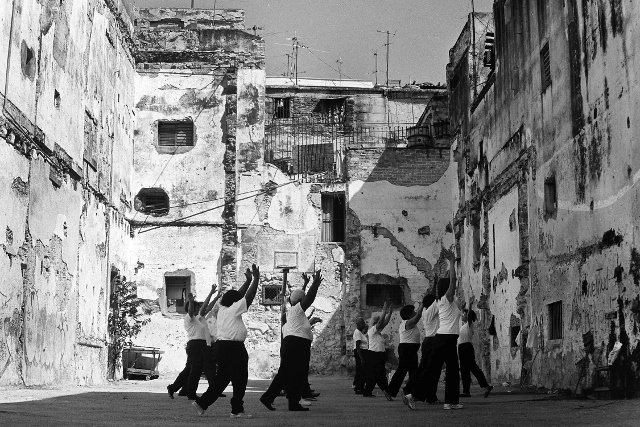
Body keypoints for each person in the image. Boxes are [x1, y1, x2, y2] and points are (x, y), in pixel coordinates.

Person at [192, 265, 260, 418]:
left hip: (223, 347)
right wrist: (256, 279)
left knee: (222, 379)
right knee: (240, 378)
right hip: (233, 348)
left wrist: (248, 281)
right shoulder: (233, 309)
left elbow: (239, 295)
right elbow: (247, 297)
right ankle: (236, 409)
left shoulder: (223, 308)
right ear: (235, 302)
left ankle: (202, 403)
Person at [407, 247, 463, 410]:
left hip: (442, 338)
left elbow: (446, 283)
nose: (455, 288)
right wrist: (452, 262)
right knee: (451, 370)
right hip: (447, 338)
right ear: (448, 290)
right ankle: (450, 402)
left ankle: (414, 395)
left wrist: (442, 274)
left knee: (434, 369)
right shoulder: (446, 299)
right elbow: (452, 281)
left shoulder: (441, 301)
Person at [260, 270, 323, 412]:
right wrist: (315, 283)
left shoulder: (294, 313)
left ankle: (293, 403)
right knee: (288, 374)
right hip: (296, 345)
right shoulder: (296, 310)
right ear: (300, 302)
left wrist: (306, 284)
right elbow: (309, 298)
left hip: (295, 344)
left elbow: (301, 296)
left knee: (296, 375)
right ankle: (268, 397)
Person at [167, 285, 219, 400]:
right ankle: (190, 393)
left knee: (191, 370)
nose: (198, 309)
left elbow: (207, 307)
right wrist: (190, 301)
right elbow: (190, 311)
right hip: (195, 345)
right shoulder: (189, 318)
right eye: (196, 308)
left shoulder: (199, 318)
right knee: (195, 370)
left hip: (202, 345)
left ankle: (174, 388)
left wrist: (214, 295)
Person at [401, 293, 439, 406]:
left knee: (426, 370)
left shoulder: (426, 312)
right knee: (429, 371)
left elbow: (431, 299)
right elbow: (438, 299)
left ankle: (428, 395)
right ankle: (414, 394)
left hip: (428, 342)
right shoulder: (430, 310)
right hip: (433, 342)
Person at [386, 300, 423, 398]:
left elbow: (417, 314)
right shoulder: (407, 323)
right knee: (402, 371)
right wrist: (423, 304)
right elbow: (418, 316)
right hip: (407, 349)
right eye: (413, 312)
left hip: (410, 349)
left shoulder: (408, 323)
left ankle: (410, 392)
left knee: (413, 371)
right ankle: (390, 391)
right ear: (410, 314)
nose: (415, 312)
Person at [458, 308, 493, 398]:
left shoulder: (470, 324)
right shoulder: (463, 326)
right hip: (462, 348)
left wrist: (469, 306)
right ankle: (466, 391)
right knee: (464, 370)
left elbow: (469, 316)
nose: (463, 315)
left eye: (464, 314)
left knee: (473, 368)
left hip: (466, 347)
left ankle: (485, 386)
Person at [362, 301, 393, 399]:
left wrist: (390, 312)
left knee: (378, 374)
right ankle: (382, 391)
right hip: (373, 355)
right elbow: (381, 323)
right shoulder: (372, 331)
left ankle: (382, 390)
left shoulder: (378, 333)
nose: (381, 325)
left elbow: (385, 322)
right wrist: (384, 310)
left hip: (379, 355)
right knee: (376, 374)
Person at [352, 316, 368, 394]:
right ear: (358, 324)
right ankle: (358, 387)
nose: (363, 324)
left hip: (362, 351)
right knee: (360, 370)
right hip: (360, 352)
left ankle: (360, 386)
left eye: (363, 322)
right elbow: (358, 346)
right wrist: (361, 358)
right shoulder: (357, 332)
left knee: (362, 370)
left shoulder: (361, 332)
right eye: (361, 323)